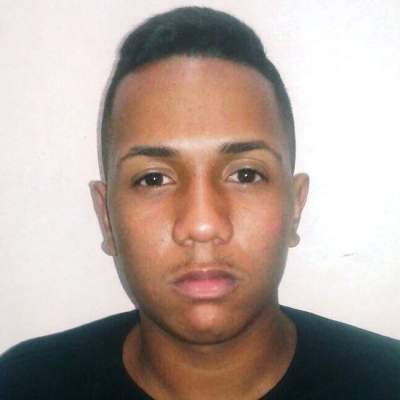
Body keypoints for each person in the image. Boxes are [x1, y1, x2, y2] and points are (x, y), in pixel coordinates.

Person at [1, 6, 399, 400]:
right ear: (106, 218)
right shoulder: (23, 385)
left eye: (246, 175)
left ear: (295, 207)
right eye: (153, 179)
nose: (202, 224)